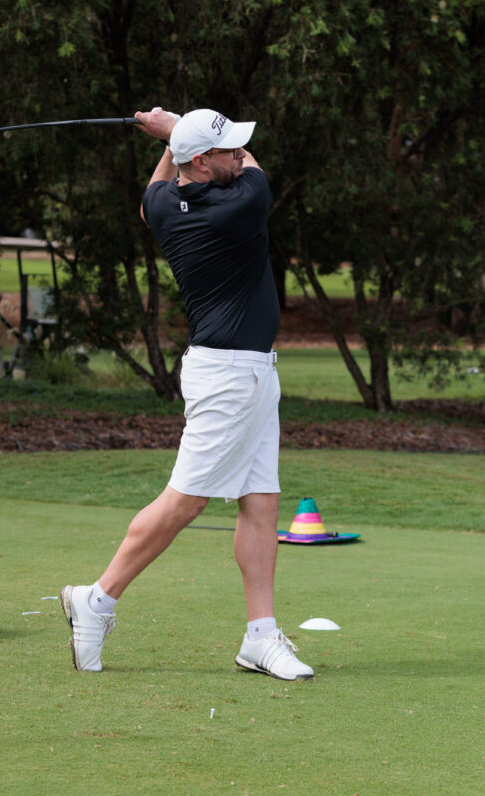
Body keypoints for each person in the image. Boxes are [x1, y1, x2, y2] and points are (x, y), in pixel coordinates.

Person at [60, 106, 313, 681]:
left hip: (248, 373)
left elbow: (153, 192)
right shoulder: (240, 205)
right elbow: (255, 170)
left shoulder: (163, 207)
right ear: (200, 162)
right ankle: (96, 600)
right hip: (229, 378)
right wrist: (173, 128)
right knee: (186, 501)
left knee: (261, 500)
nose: (238, 155)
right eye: (227, 150)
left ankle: (260, 636)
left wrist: (172, 139)